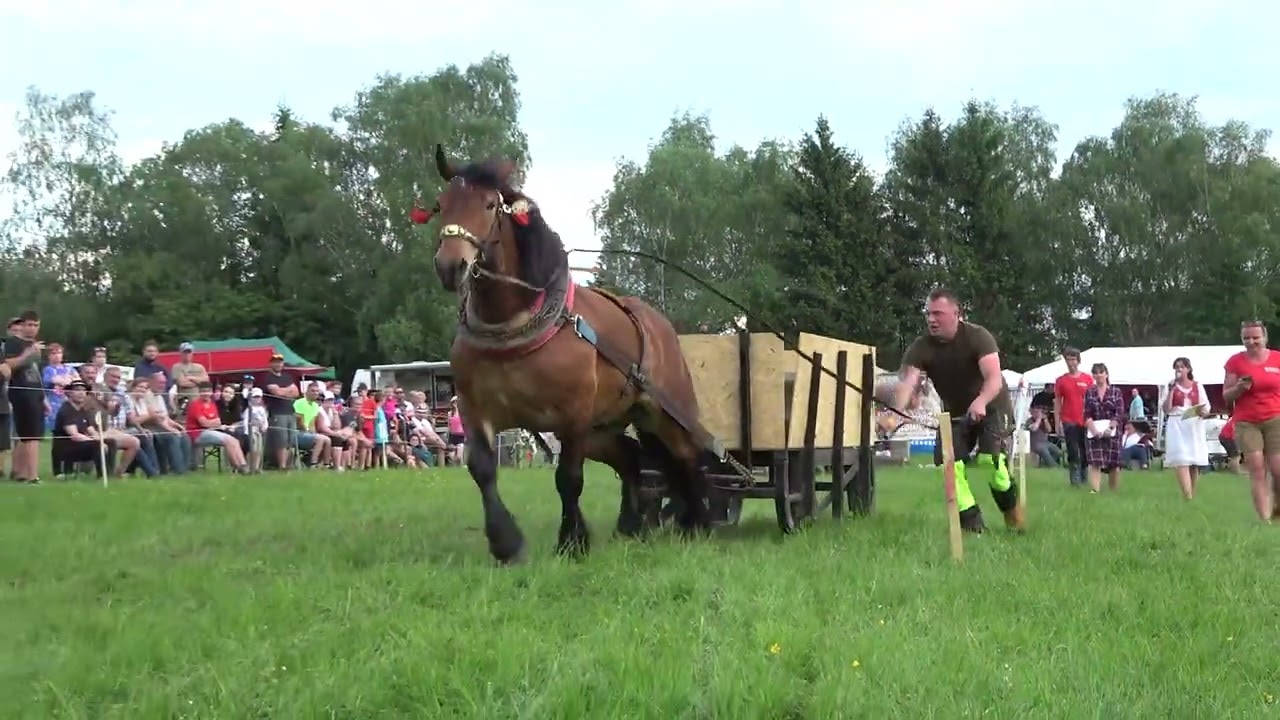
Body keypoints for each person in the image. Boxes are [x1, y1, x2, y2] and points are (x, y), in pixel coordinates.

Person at [879, 288, 1023, 533]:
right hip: (955, 414)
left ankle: (1014, 519)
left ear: (957, 314)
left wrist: (980, 401)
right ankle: (974, 529)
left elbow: (993, 379)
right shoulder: (920, 347)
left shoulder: (978, 336)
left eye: (938, 314)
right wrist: (891, 415)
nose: (931, 319)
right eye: (928, 314)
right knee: (948, 467)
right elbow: (906, 385)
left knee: (991, 464)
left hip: (993, 406)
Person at [1223, 320, 1280, 522]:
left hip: (1275, 417)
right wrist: (1238, 389)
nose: (1251, 341)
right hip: (1247, 421)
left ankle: (1277, 509)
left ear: (1264, 337)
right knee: (1257, 469)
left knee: (1277, 469)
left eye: (1255, 337)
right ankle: (1264, 519)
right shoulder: (1235, 362)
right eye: (1246, 338)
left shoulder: (1277, 359)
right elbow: (1226, 396)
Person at [5, 311, 46, 484]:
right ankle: (33, 477)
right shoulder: (13, 342)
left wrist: (43, 397)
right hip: (21, 391)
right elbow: (8, 365)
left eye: (36, 325)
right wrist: (27, 353)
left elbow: (37, 373)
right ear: (22, 325)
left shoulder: (35, 344)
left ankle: (20, 473)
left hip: (35, 392)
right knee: (30, 435)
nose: (33, 329)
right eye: (29, 324)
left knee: (30, 435)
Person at [1162, 357, 1210, 499]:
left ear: (1188, 369)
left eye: (1182, 367)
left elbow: (1206, 406)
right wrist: (1171, 392)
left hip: (1194, 424)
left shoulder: (1197, 386)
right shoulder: (1170, 386)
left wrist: (1203, 412)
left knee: (1194, 461)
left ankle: (1191, 494)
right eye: (1176, 367)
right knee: (1181, 459)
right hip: (1177, 423)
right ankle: (1187, 495)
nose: (1179, 369)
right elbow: (1166, 409)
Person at [1054, 347, 1093, 488]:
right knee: (1072, 450)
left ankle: (1084, 477)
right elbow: (1058, 402)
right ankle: (1074, 480)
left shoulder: (1088, 379)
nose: (1071, 363)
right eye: (1068, 360)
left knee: (1085, 450)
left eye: (1073, 359)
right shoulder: (1061, 381)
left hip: (1085, 420)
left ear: (1078, 361)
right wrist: (1057, 423)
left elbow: (1092, 400)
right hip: (1068, 419)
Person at [1082, 362, 1125, 493]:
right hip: (1094, 429)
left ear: (1106, 374)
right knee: (1094, 462)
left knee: (1114, 463)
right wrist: (1093, 429)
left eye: (1101, 372)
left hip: (1112, 430)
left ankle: (1113, 491)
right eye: (1095, 373)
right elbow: (1086, 413)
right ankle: (1095, 490)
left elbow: (1119, 412)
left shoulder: (1115, 392)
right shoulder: (1090, 392)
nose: (1098, 375)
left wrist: (1110, 428)